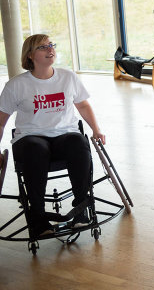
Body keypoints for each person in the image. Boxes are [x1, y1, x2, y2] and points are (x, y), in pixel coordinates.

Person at [0, 34, 106, 238]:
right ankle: (38, 218)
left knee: (78, 141)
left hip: (64, 135)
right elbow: (1, 120)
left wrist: (96, 129)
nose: (50, 49)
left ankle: (80, 210)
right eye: (43, 47)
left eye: (51, 45)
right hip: (30, 137)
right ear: (30, 55)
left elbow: (83, 105)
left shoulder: (67, 77)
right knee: (36, 149)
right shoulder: (17, 85)